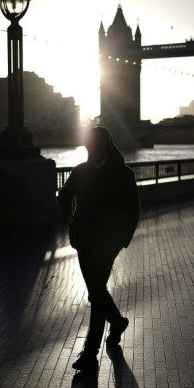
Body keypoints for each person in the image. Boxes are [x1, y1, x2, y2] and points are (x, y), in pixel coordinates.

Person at [57, 126, 141, 372]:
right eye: (88, 144)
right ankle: (117, 322)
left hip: (108, 242)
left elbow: (133, 210)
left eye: (96, 144)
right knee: (97, 288)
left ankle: (90, 353)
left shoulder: (123, 174)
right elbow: (63, 196)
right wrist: (68, 218)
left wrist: (122, 239)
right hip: (83, 240)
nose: (92, 148)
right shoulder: (79, 171)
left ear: (107, 145)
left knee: (95, 294)